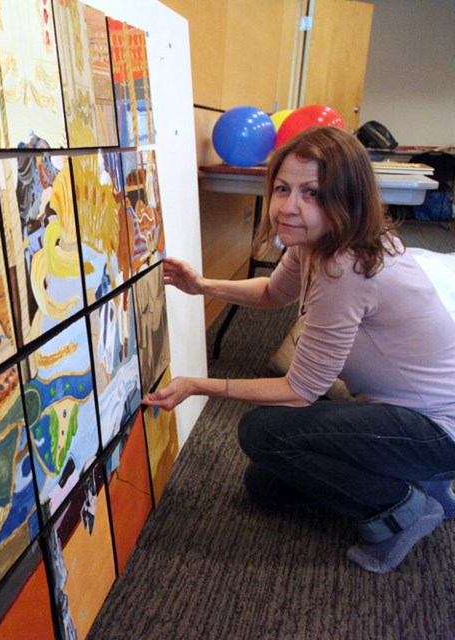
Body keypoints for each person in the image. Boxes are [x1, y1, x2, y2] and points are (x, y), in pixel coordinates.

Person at [144, 126, 455, 574]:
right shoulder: (316, 241)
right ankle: (422, 477)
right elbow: (274, 293)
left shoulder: (341, 265)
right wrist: (202, 286)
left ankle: (402, 510)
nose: (288, 207)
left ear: (346, 198)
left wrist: (197, 383)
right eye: (283, 189)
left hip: (434, 425)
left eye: (312, 193)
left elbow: (300, 391)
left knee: (262, 433)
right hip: (407, 409)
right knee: (266, 487)